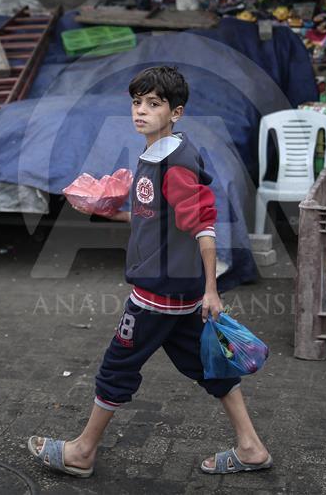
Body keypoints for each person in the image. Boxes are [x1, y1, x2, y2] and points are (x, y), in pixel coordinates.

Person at [27, 66, 272, 478]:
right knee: (210, 366)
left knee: (117, 367)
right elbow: (156, 215)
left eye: (154, 104)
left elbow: (204, 226)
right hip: (179, 296)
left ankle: (82, 452)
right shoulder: (158, 153)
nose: (141, 111)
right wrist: (109, 212)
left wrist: (212, 290)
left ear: (176, 112)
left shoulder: (174, 164)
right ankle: (251, 447)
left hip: (158, 296)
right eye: (137, 102)